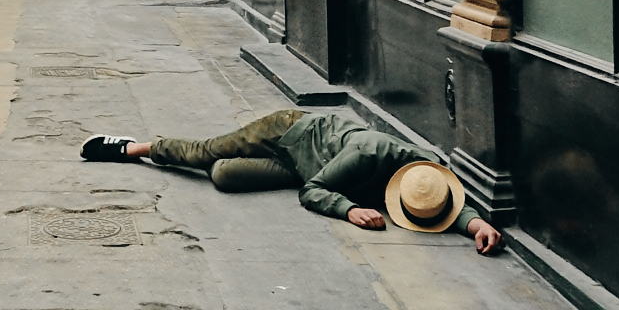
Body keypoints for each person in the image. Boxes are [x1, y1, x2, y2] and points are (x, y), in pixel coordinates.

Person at [81, 107, 503, 255]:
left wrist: (478, 225)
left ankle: (212, 161)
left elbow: (445, 202)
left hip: (307, 166)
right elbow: (313, 193)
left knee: (224, 175)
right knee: (205, 152)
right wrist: (350, 209)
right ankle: (133, 147)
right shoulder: (368, 153)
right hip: (288, 132)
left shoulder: (423, 176)